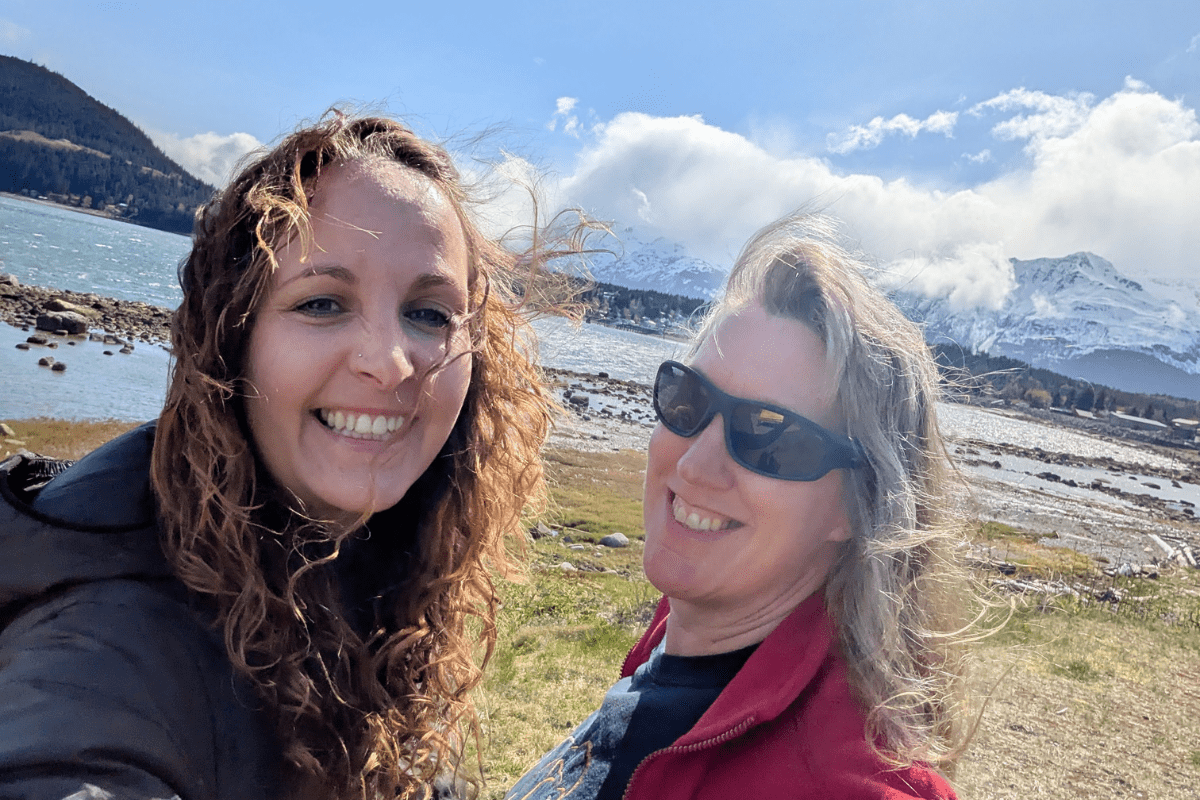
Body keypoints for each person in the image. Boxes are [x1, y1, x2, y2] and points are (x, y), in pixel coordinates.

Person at [0, 113, 565, 800]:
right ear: (229, 341)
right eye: (322, 303)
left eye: (430, 313)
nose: (390, 362)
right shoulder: (105, 641)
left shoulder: (376, 557)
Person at [507, 212, 971, 800]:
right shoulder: (688, 640)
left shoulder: (847, 784)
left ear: (858, 505)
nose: (694, 465)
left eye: (767, 434)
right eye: (689, 398)